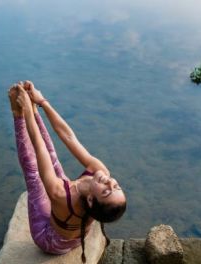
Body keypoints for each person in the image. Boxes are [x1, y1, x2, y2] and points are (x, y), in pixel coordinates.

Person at [8, 81, 126, 263]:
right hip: (73, 231)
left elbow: (38, 151)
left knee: (34, 176)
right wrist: (40, 102)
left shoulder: (61, 195)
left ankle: (16, 113)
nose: (109, 182)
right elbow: (68, 136)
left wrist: (23, 113)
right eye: (116, 185)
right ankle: (30, 109)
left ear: (90, 199)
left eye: (106, 190)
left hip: (50, 240)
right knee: (53, 159)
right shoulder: (101, 172)